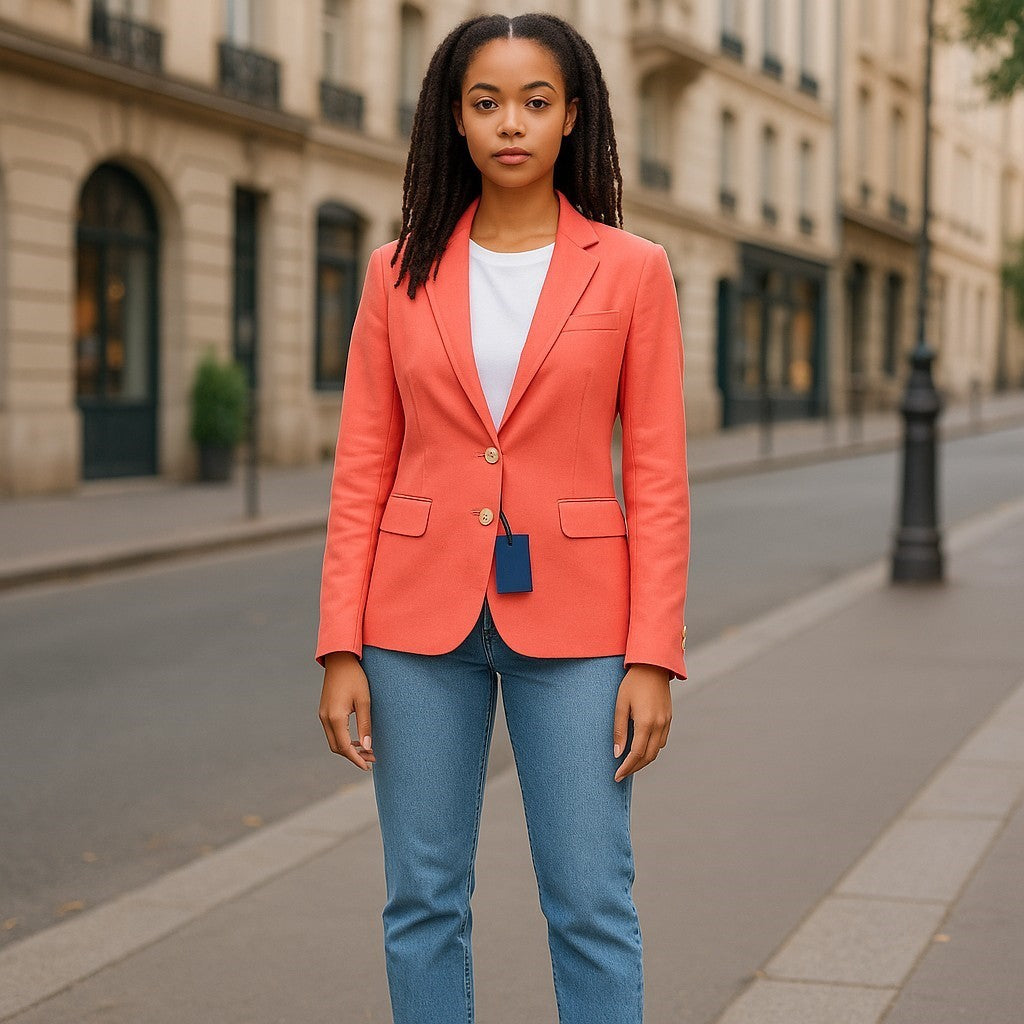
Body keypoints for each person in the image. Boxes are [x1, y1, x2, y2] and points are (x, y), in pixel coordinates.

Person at [316, 12, 690, 1023]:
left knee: (591, 901)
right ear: (455, 116)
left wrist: (652, 655)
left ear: (572, 116)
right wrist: (339, 644)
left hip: (581, 627)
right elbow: (362, 466)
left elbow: (658, 476)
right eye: (486, 102)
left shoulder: (632, 269)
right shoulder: (396, 272)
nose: (510, 123)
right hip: (412, 623)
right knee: (421, 902)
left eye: (534, 101)